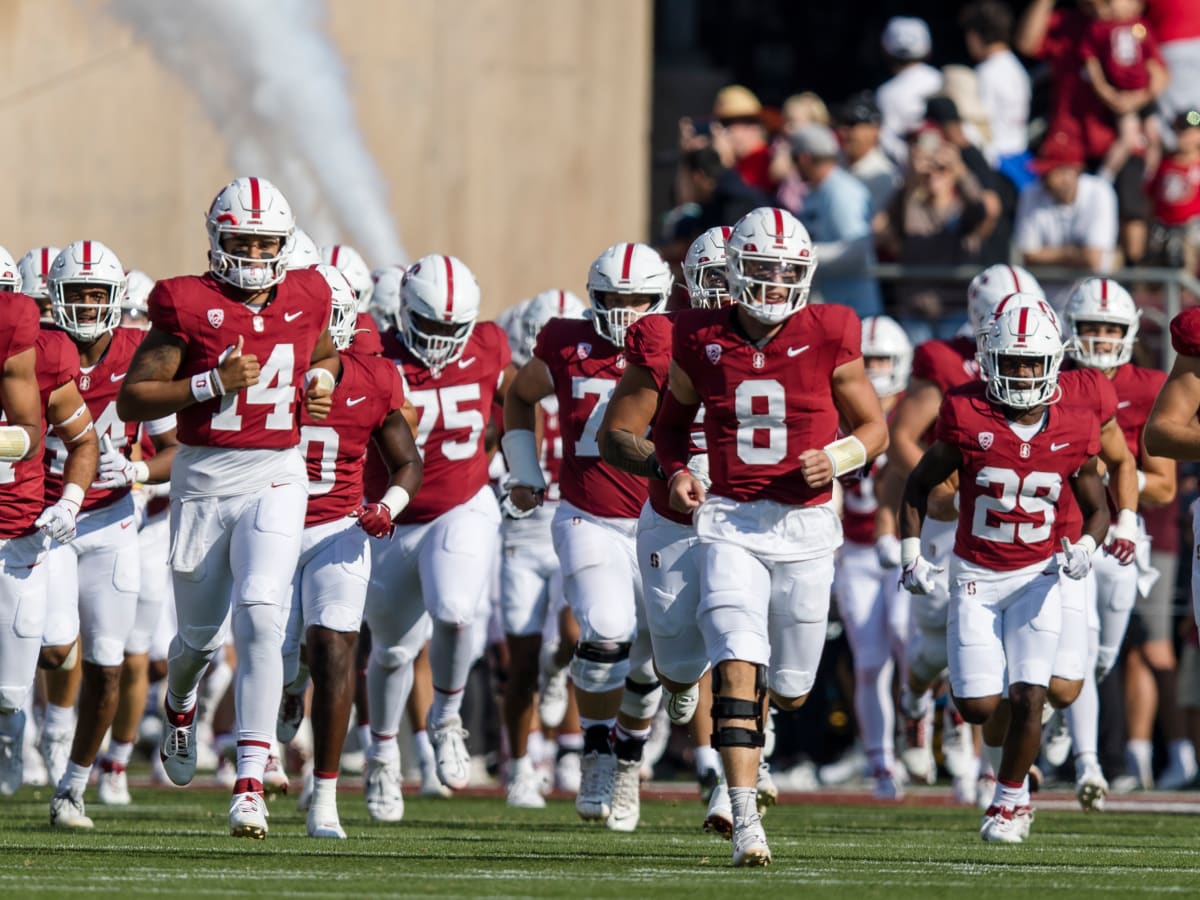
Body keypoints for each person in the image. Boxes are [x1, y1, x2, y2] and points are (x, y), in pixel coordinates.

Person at [653, 207, 888, 866]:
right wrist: (674, 473)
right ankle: (744, 816)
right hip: (731, 520)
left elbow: (874, 429)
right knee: (734, 653)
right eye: (762, 269)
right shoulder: (698, 335)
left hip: (807, 526)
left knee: (789, 686)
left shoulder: (831, 328)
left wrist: (837, 457)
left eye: (788, 271)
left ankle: (764, 736)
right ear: (734, 271)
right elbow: (671, 428)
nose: (777, 283)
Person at [116, 176, 339, 839]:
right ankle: (179, 704)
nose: (252, 253)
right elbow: (134, 399)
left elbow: (323, 350)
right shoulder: (186, 301)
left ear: (284, 244)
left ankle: (249, 781)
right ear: (217, 239)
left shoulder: (308, 292)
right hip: (205, 476)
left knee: (264, 613)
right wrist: (210, 382)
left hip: (277, 470)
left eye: (265, 242)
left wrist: (324, 378)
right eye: (241, 240)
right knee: (198, 641)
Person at [900, 304, 1109, 843]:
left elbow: (1098, 505)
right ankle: (997, 772)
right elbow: (919, 484)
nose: (1020, 374)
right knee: (977, 706)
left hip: (1038, 574)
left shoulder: (1074, 420)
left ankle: (1010, 801)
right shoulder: (966, 412)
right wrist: (911, 553)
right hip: (975, 573)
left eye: (1031, 362)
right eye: (1011, 363)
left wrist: (1087, 545)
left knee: (1031, 694)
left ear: (1052, 363)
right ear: (990, 361)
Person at [504, 242, 672, 833]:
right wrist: (524, 469)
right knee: (605, 630)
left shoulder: (683, 346)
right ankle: (598, 749)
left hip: (664, 523)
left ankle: (629, 757)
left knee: (655, 658)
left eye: (637, 301)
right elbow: (518, 396)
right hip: (588, 515)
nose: (624, 313)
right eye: (612, 300)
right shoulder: (566, 342)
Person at [597, 227, 742, 837]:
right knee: (670, 661)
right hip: (672, 516)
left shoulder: (793, 345)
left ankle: (737, 795)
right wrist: (671, 466)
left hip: (747, 517)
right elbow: (616, 434)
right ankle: (628, 758)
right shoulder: (665, 336)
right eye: (724, 280)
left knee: (744, 643)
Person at [876, 263, 1043, 791]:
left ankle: (987, 753)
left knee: (1015, 646)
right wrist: (943, 493)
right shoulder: (947, 360)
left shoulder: (1044, 358)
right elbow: (903, 436)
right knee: (930, 645)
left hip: (1014, 521)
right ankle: (916, 701)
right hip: (954, 525)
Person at [362, 254, 511, 819]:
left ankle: (447, 718)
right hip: (390, 517)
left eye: (454, 330)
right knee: (394, 650)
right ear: (403, 314)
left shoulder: (491, 345)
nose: (442, 342)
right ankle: (381, 756)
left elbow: (514, 400)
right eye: (430, 328)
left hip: (461, 504)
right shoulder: (377, 354)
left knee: (454, 610)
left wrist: (512, 459)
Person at [277, 266, 423, 837]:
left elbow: (408, 461)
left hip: (338, 527)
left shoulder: (374, 376)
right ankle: (268, 739)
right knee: (276, 649)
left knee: (335, 652)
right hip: (269, 525)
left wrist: (386, 505)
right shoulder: (264, 374)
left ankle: (325, 797)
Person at [42, 241, 178, 828]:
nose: (90, 305)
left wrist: (140, 470)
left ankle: (74, 786)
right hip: (42, 520)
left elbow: (177, 449)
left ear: (118, 298)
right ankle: (37, 729)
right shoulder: (37, 349)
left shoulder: (139, 349)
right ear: (55, 298)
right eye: (79, 294)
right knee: (51, 647)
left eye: (99, 294)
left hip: (115, 519)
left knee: (109, 663)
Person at [1058, 277, 1176, 809]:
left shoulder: (1149, 385)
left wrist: (1108, 483)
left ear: (1129, 333)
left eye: (1111, 328)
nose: (1102, 339)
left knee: (1105, 656)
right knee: (1075, 648)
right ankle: (1087, 761)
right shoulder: (1048, 377)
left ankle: (1070, 720)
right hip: (1063, 534)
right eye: (1091, 327)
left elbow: (1166, 484)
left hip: (1125, 536)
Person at [499, 289, 586, 810]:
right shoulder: (512, 385)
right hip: (524, 530)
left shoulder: (597, 376)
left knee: (578, 632)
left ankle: (566, 703)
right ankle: (519, 763)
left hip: (573, 517)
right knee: (521, 658)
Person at [0, 270, 76, 795]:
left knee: (18, 683)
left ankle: (25, 733)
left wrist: (70, 501)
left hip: (19, 524)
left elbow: (31, 432)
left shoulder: (36, 351)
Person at [834, 315, 913, 801]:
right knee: (868, 664)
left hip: (904, 548)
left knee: (910, 642)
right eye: (869, 360)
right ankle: (881, 761)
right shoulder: (835, 407)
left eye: (884, 360)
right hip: (855, 551)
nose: (877, 370)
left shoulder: (913, 413)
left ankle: (932, 734)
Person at [790, 124, 883, 318]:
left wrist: (801, 255)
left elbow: (856, 250)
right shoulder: (819, 190)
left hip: (854, 311)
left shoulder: (841, 192)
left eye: (794, 159)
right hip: (831, 308)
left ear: (804, 158)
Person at [1014, 133, 1119, 274]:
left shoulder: (1099, 192)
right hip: (1043, 290)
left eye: (1051, 171)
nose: (1043, 178)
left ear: (1072, 171)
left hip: (1090, 291)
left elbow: (1093, 259)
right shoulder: (1031, 192)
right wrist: (1073, 254)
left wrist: (1045, 255)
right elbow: (1026, 256)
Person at [961, 1, 1031, 167]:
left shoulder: (985, 73)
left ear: (974, 36)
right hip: (1022, 160)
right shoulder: (1017, 68)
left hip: (998, 163)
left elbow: (980, 125)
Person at [876, 16, 943, 164]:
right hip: (945, 166)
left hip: (913, 171)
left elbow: (888, 143)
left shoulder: (886, 93)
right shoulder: (941, 80)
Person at [833, 92, 902, 217]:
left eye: (852, 125)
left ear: (874, 131)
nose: (844, 131)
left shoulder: (884, 175)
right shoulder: (832, 163)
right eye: (842, 123)